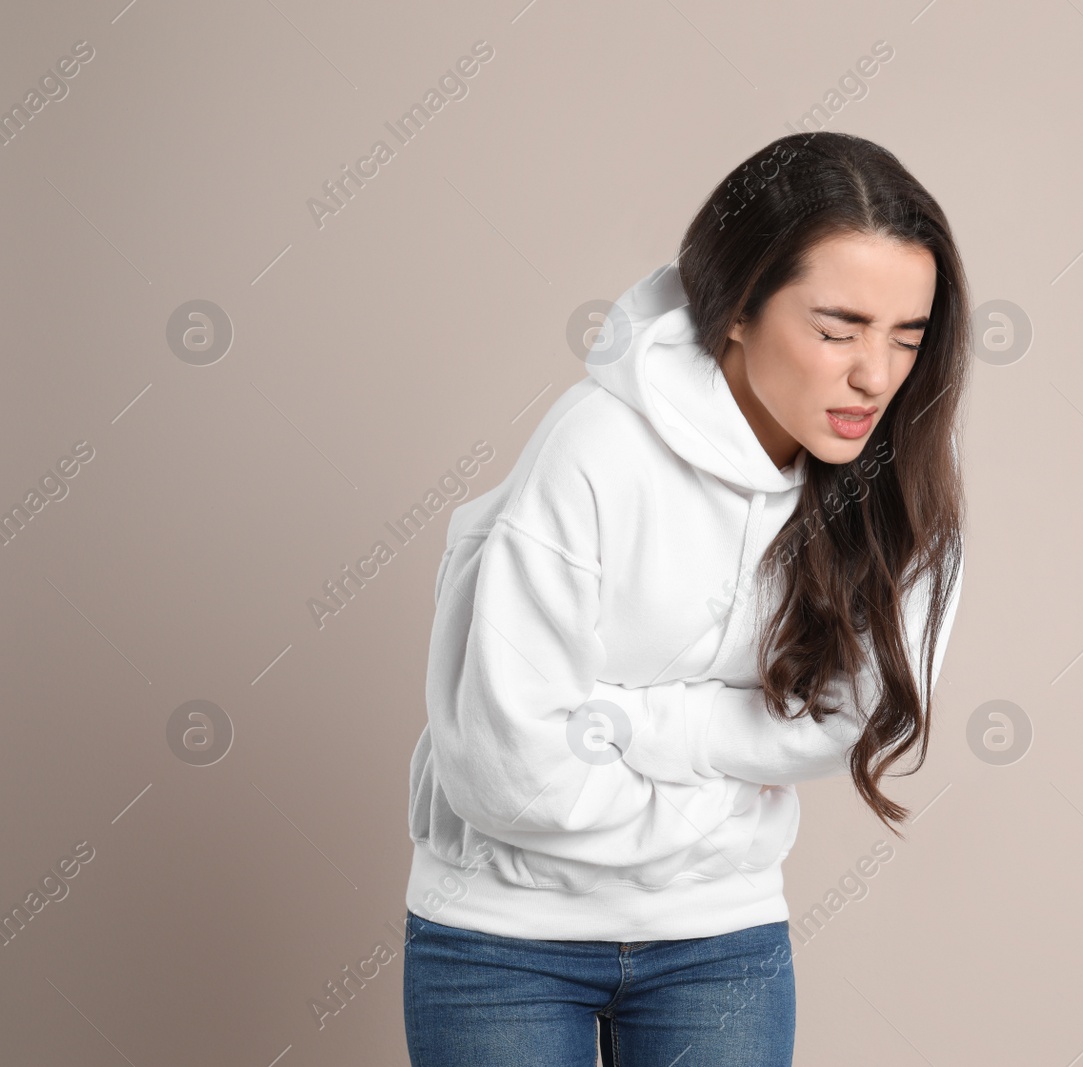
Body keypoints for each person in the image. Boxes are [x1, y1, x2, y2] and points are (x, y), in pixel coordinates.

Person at [402, 130, 970, 1067]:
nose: (876, 375)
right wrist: (728, 793)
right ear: (737, 307)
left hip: (720, 939)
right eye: (837, 330)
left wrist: (636, 726)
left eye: (907, 336)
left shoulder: (904, 495)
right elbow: (509, 777)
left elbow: (851, 724)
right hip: (503, 940)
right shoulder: (593, 452)